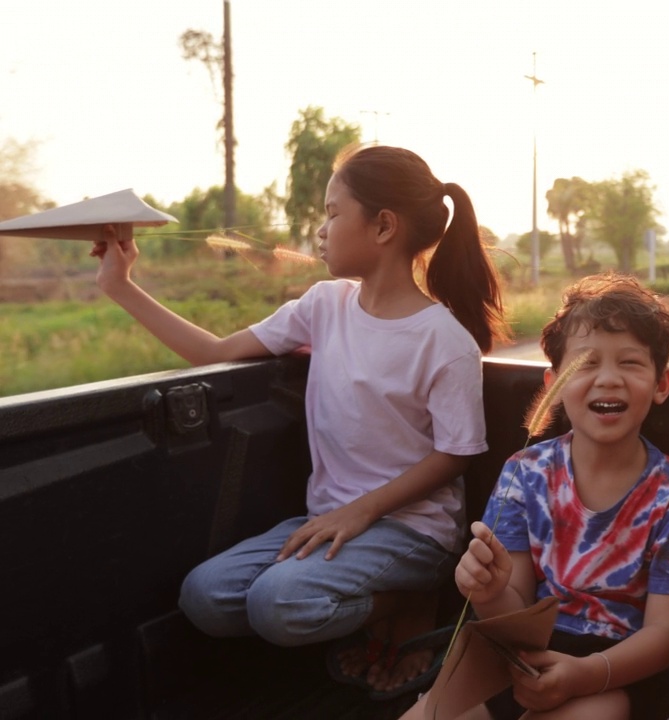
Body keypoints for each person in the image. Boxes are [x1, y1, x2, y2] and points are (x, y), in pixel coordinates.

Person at [93, 144, 508, 700]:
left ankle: (411, 600)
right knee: (205, 596)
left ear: (383, 226)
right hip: (326, 519)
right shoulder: (324, 304)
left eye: (334, 213)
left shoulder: (444, 341)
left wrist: (361, 512)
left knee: (278, 605)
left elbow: (456, 453)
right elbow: (216, 351)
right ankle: (375, 602)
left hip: (412, 531)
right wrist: (120, 285)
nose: (320, 229)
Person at [401, 272, 669, 720]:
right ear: (553, 384)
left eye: (629, 363)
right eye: (586, 363)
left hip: (624, 669)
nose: (608, 379)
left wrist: (582, 675)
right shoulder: (524, 475)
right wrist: (489, 592)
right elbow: (516, 610)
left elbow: (664, 636)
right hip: (529, 659)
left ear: (662, 384)